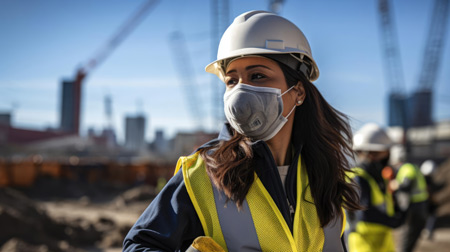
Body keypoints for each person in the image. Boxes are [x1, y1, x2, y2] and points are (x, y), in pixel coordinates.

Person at [123, 10, 362, 251]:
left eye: (257, 76)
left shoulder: (324, 175)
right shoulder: (205, 175)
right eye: (231, 80)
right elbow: (137, 246)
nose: (240, 92)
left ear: (298, 91)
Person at [347, 123, 404, 252]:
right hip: (364, 245)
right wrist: (392, 221)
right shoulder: (358, 177)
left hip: (384, 243)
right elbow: (364, 212)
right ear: (370, 154)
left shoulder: (379, 177)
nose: (387, 157)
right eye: (384, 153)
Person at [394, 157, 429, 252]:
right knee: (414, 233)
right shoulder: (414, 167)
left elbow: (406, 185)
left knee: (408, 233)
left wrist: (396, 185)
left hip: (414, 205)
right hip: (421, 204)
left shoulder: (407, 168)